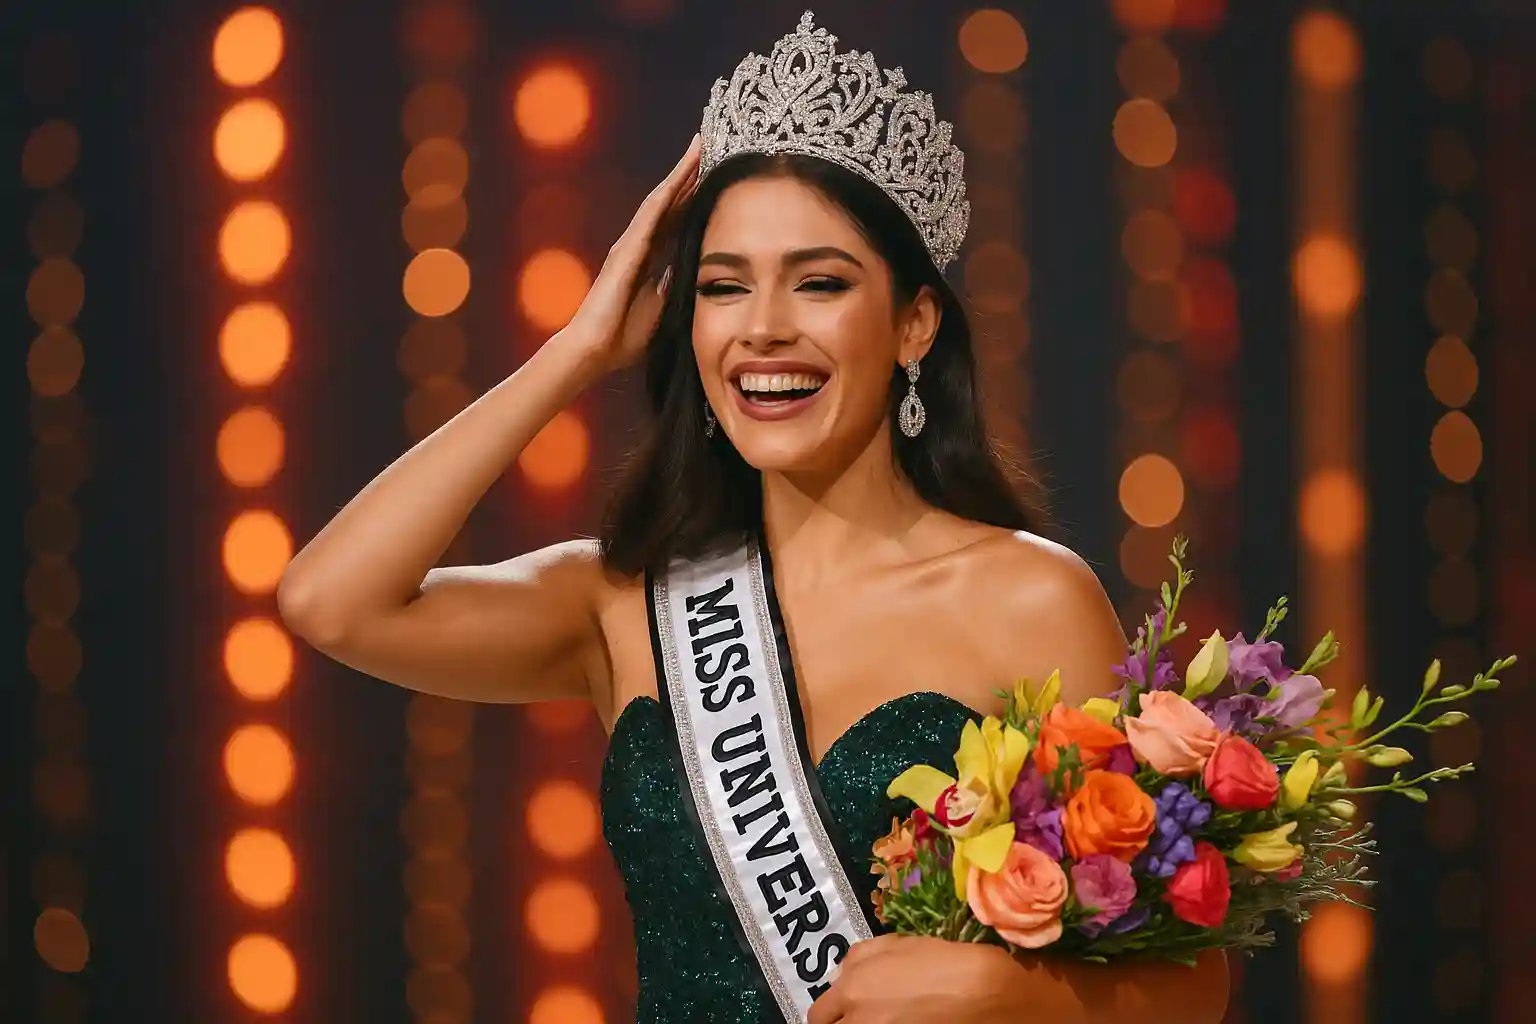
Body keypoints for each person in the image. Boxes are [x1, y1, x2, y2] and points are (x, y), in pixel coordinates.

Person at [280, 12, 1228, 1024]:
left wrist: (1015, 991)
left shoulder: (1029, 596)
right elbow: (331, 602)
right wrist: (578, 347)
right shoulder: (624, 596)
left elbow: (1189, 984)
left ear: (915, 322)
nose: (764, 327)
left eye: (819, 283)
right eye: (723, 287)